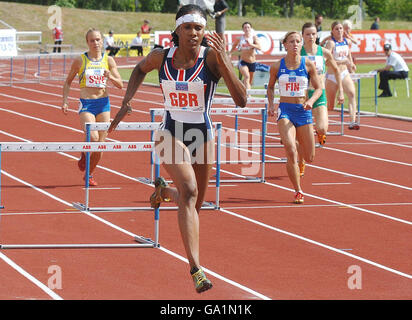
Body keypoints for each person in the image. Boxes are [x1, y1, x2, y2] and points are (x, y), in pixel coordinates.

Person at [108, 4, 246, 293]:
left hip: (203, 135)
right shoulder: (162, 57)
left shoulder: (211, 59)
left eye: (199, 28)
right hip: (169, 133)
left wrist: (226, 63)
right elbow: (137, 68)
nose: (194, 33)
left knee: (194, 204)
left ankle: (162, 192)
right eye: (188, 27)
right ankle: (196, 268)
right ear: (178, 29)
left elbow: (241, 100)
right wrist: (127, 101)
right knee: (190, 189)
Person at [62, 28, 123, 186]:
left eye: (97, 40)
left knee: (100, 145)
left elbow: (120, 85)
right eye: (92, 40)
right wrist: (65, 101)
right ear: (87, 42)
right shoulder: (80, 60)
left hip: (103, 104)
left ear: (102, 41)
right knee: (93, 137)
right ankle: (84, 152)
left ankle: (89, 174)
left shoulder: (108, 60)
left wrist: (110, 76)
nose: (95, 43)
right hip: (87, 103)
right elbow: (68, 81)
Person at [267, 31, 322, 204]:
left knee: (309, 156)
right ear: (284, 44)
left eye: (298, 41)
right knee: (290, 151)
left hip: (303, 110)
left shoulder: (308, 64)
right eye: (292, 41)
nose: (296, 44)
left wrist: (312, 101)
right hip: (286, 110)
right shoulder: (277, 66)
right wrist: (271, 104)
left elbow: (319, 88)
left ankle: (299, 149)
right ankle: (298, 190)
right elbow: (269, 88)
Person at [298, 22, 344, 177]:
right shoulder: (298, 53)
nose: (311, 37)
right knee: (303, 136)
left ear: (317, 35)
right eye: (307, 34)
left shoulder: (324, 52)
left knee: (322, 128)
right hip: (302, 96)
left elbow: (336, 70)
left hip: (319, 94)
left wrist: (341, 92)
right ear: (302, 36)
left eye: (313, 34)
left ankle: (320, 133)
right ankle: (301, 162)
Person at [324, 21, 359, 130]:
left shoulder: (347, 41)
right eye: (336, 29)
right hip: (332, 76)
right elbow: (327, 62)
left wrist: (351, 64)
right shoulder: (331, 43)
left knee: (352, 94)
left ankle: (352, 122)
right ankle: (318, 118)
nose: (339, 31)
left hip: (344, 73)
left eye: (340, 28)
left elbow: (349, 55)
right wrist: (343, 61)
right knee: (330, 106)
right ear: (332, 31)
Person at [229, 22, 261, 93]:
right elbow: (234, 46)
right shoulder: (240, 38)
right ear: (243, 29)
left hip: (252, 62)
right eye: (245, 27)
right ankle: (248, 95)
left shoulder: (254, 37)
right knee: (247, 76)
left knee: (249, 81)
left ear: (251, 28)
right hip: (243, 62)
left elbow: (259, 47)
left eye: (248, 27)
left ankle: (240, 88)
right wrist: (230, 53)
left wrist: (251, 44)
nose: (247, 29)